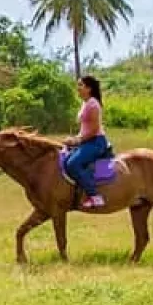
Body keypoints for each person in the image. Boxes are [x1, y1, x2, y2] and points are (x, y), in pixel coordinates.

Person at [62, 74, 112, 210]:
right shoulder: (85, 103)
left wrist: (77, 140)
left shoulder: (93, 104)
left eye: (80, 85)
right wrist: (73, 139)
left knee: (73, 164)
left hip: (96, 142)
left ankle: (95, 196)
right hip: (87, 140)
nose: (77, 88)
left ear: (89, 88)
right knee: (65, 160)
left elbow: (94, 129)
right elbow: (85, 128)